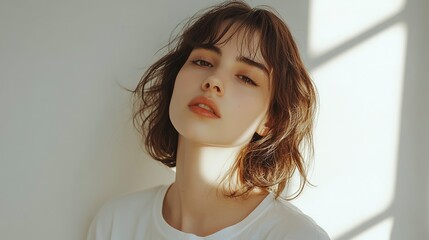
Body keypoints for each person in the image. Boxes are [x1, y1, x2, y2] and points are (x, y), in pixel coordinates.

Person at [87, 1, 330, 239]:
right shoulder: (116, 223)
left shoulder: (294, 235)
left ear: (271, 120)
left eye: (246, 78)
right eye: (202, 62)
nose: (213, 80)